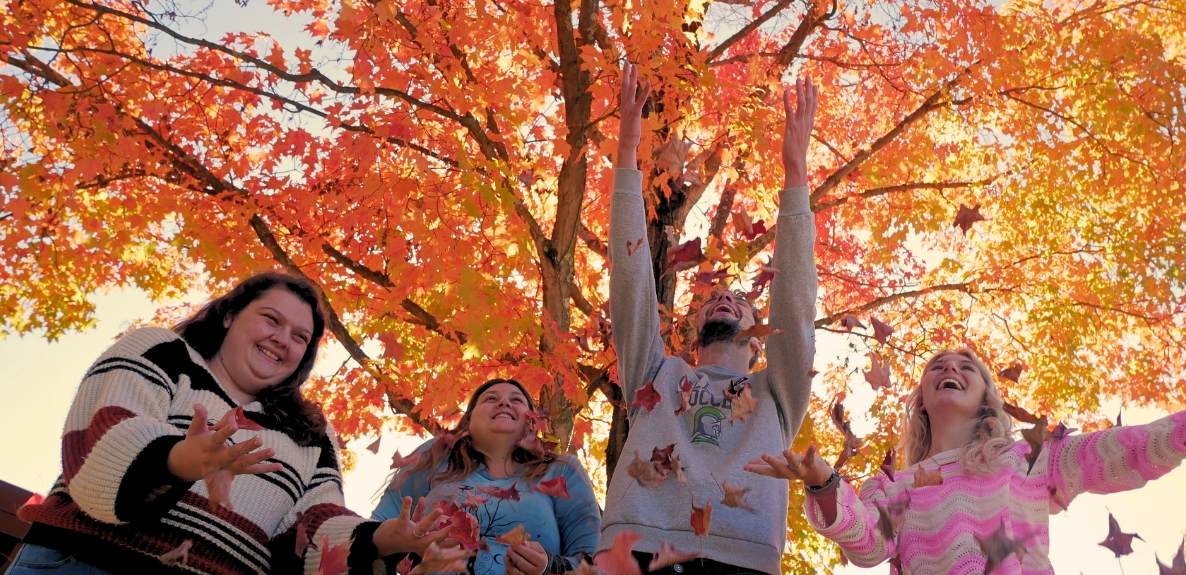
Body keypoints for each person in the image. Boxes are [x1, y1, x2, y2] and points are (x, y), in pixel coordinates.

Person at [12, 272, 451, 575]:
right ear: (228, 315)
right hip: (85, 562)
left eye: (301, 337)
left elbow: (314, 524)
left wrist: (382, 539)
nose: (283, 338)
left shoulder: (311, 436)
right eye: (271, 319)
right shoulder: (163, 352)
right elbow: (102, 435)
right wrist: (183, 459)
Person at [746, 348, 1186, 573]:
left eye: (966, 365)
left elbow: (1137, 445)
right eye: (938, 364)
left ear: (987, 393)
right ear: (921, 398)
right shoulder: (896, 483)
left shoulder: (1031, 458)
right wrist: (823, 483)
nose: (951, 367)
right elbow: (866, 543)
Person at [597, 61, 818, 575]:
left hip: (741, 558)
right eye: (713, 298)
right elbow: (629, 282)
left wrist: (796, 175)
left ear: (760, 341)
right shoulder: (657, 374)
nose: (723, 298)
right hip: (637, 549)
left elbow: (797, 306)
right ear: (692, 329)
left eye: (740, 299)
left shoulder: (777, 393)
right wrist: (627, 157)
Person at [374, 379, 601, 575]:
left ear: (532, 422)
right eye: (490, 399)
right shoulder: (435, 456)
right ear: (468, 421)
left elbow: (594, 563)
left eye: (517, 400)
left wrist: (549, 567)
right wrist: (397, 541)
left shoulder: (562, 470)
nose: (504, 403)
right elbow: (365, 535)